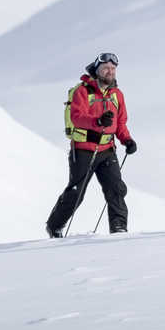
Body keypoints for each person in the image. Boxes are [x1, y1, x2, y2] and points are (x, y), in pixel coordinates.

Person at [45, 52, 137, 238]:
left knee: (116, 189)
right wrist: (98, 122)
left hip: (107, 150)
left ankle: (119, 229)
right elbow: (76, 117)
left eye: (113, 69)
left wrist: (126, 139)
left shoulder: (117, 95)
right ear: (97, 70)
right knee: (76, 193)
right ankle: (54, 226)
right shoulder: (82, 91)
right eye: (105, 69)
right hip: (83, 150)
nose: (110, 72)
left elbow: (120, 122)